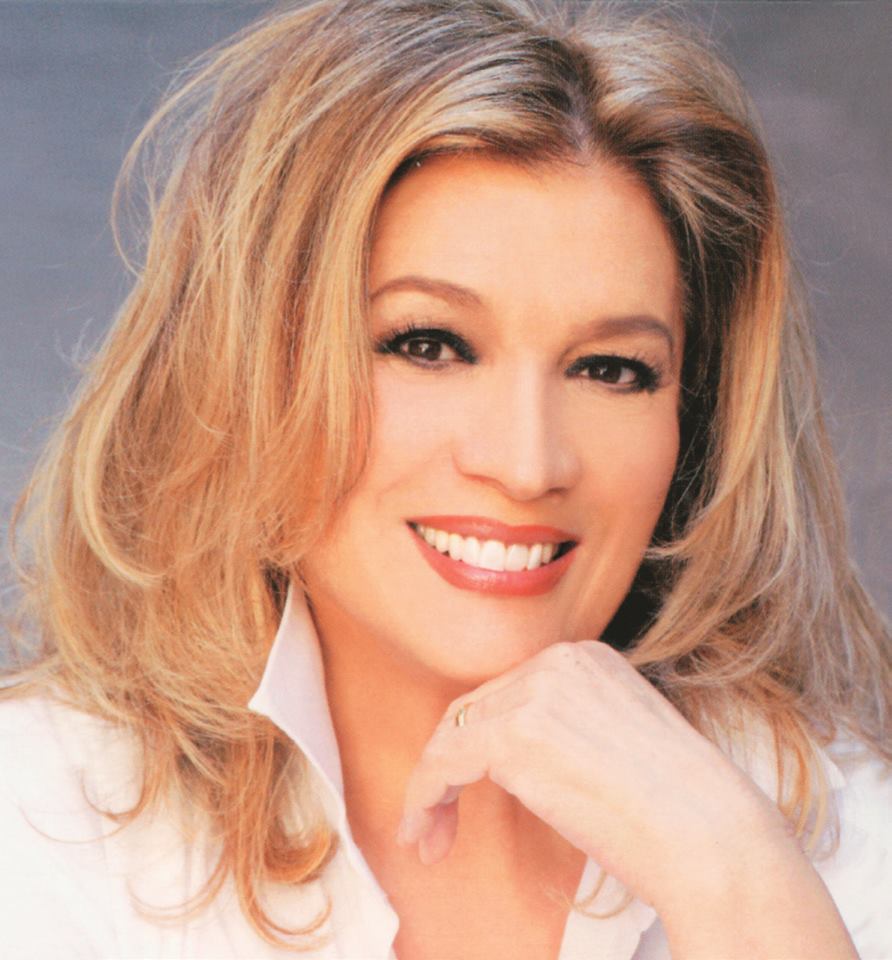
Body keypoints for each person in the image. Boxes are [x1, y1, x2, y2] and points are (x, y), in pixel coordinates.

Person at [1, 1, 890, 957]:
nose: (526, 464)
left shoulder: (849, 849)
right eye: (428, 345)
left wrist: (732, 878)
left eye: (610, 369)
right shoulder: (39, 826)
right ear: (251, 369)